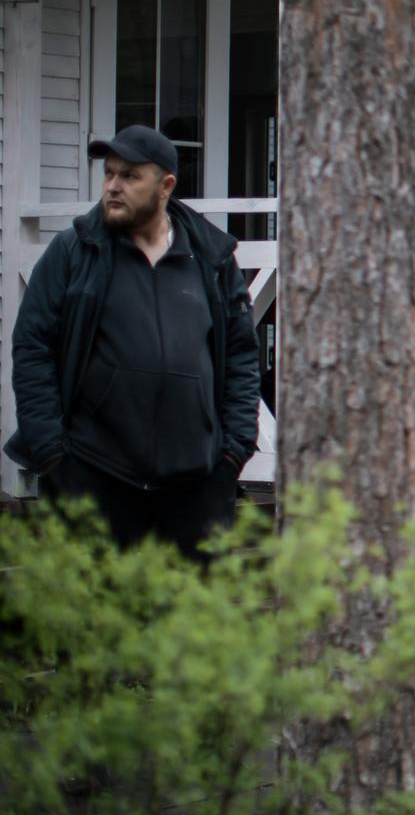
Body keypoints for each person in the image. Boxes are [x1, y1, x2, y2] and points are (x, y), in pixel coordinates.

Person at [5, 127, 260, 558]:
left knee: (186, 621)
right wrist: (52, 455)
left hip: (194, 489)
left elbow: (241, 356)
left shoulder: (212, 260)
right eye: (108, 174)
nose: (112, 187)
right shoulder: (75, 252)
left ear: (166, 187)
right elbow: (32, 349)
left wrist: (233, 452)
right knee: (96, 621)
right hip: (95, 481)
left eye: (129, 176)